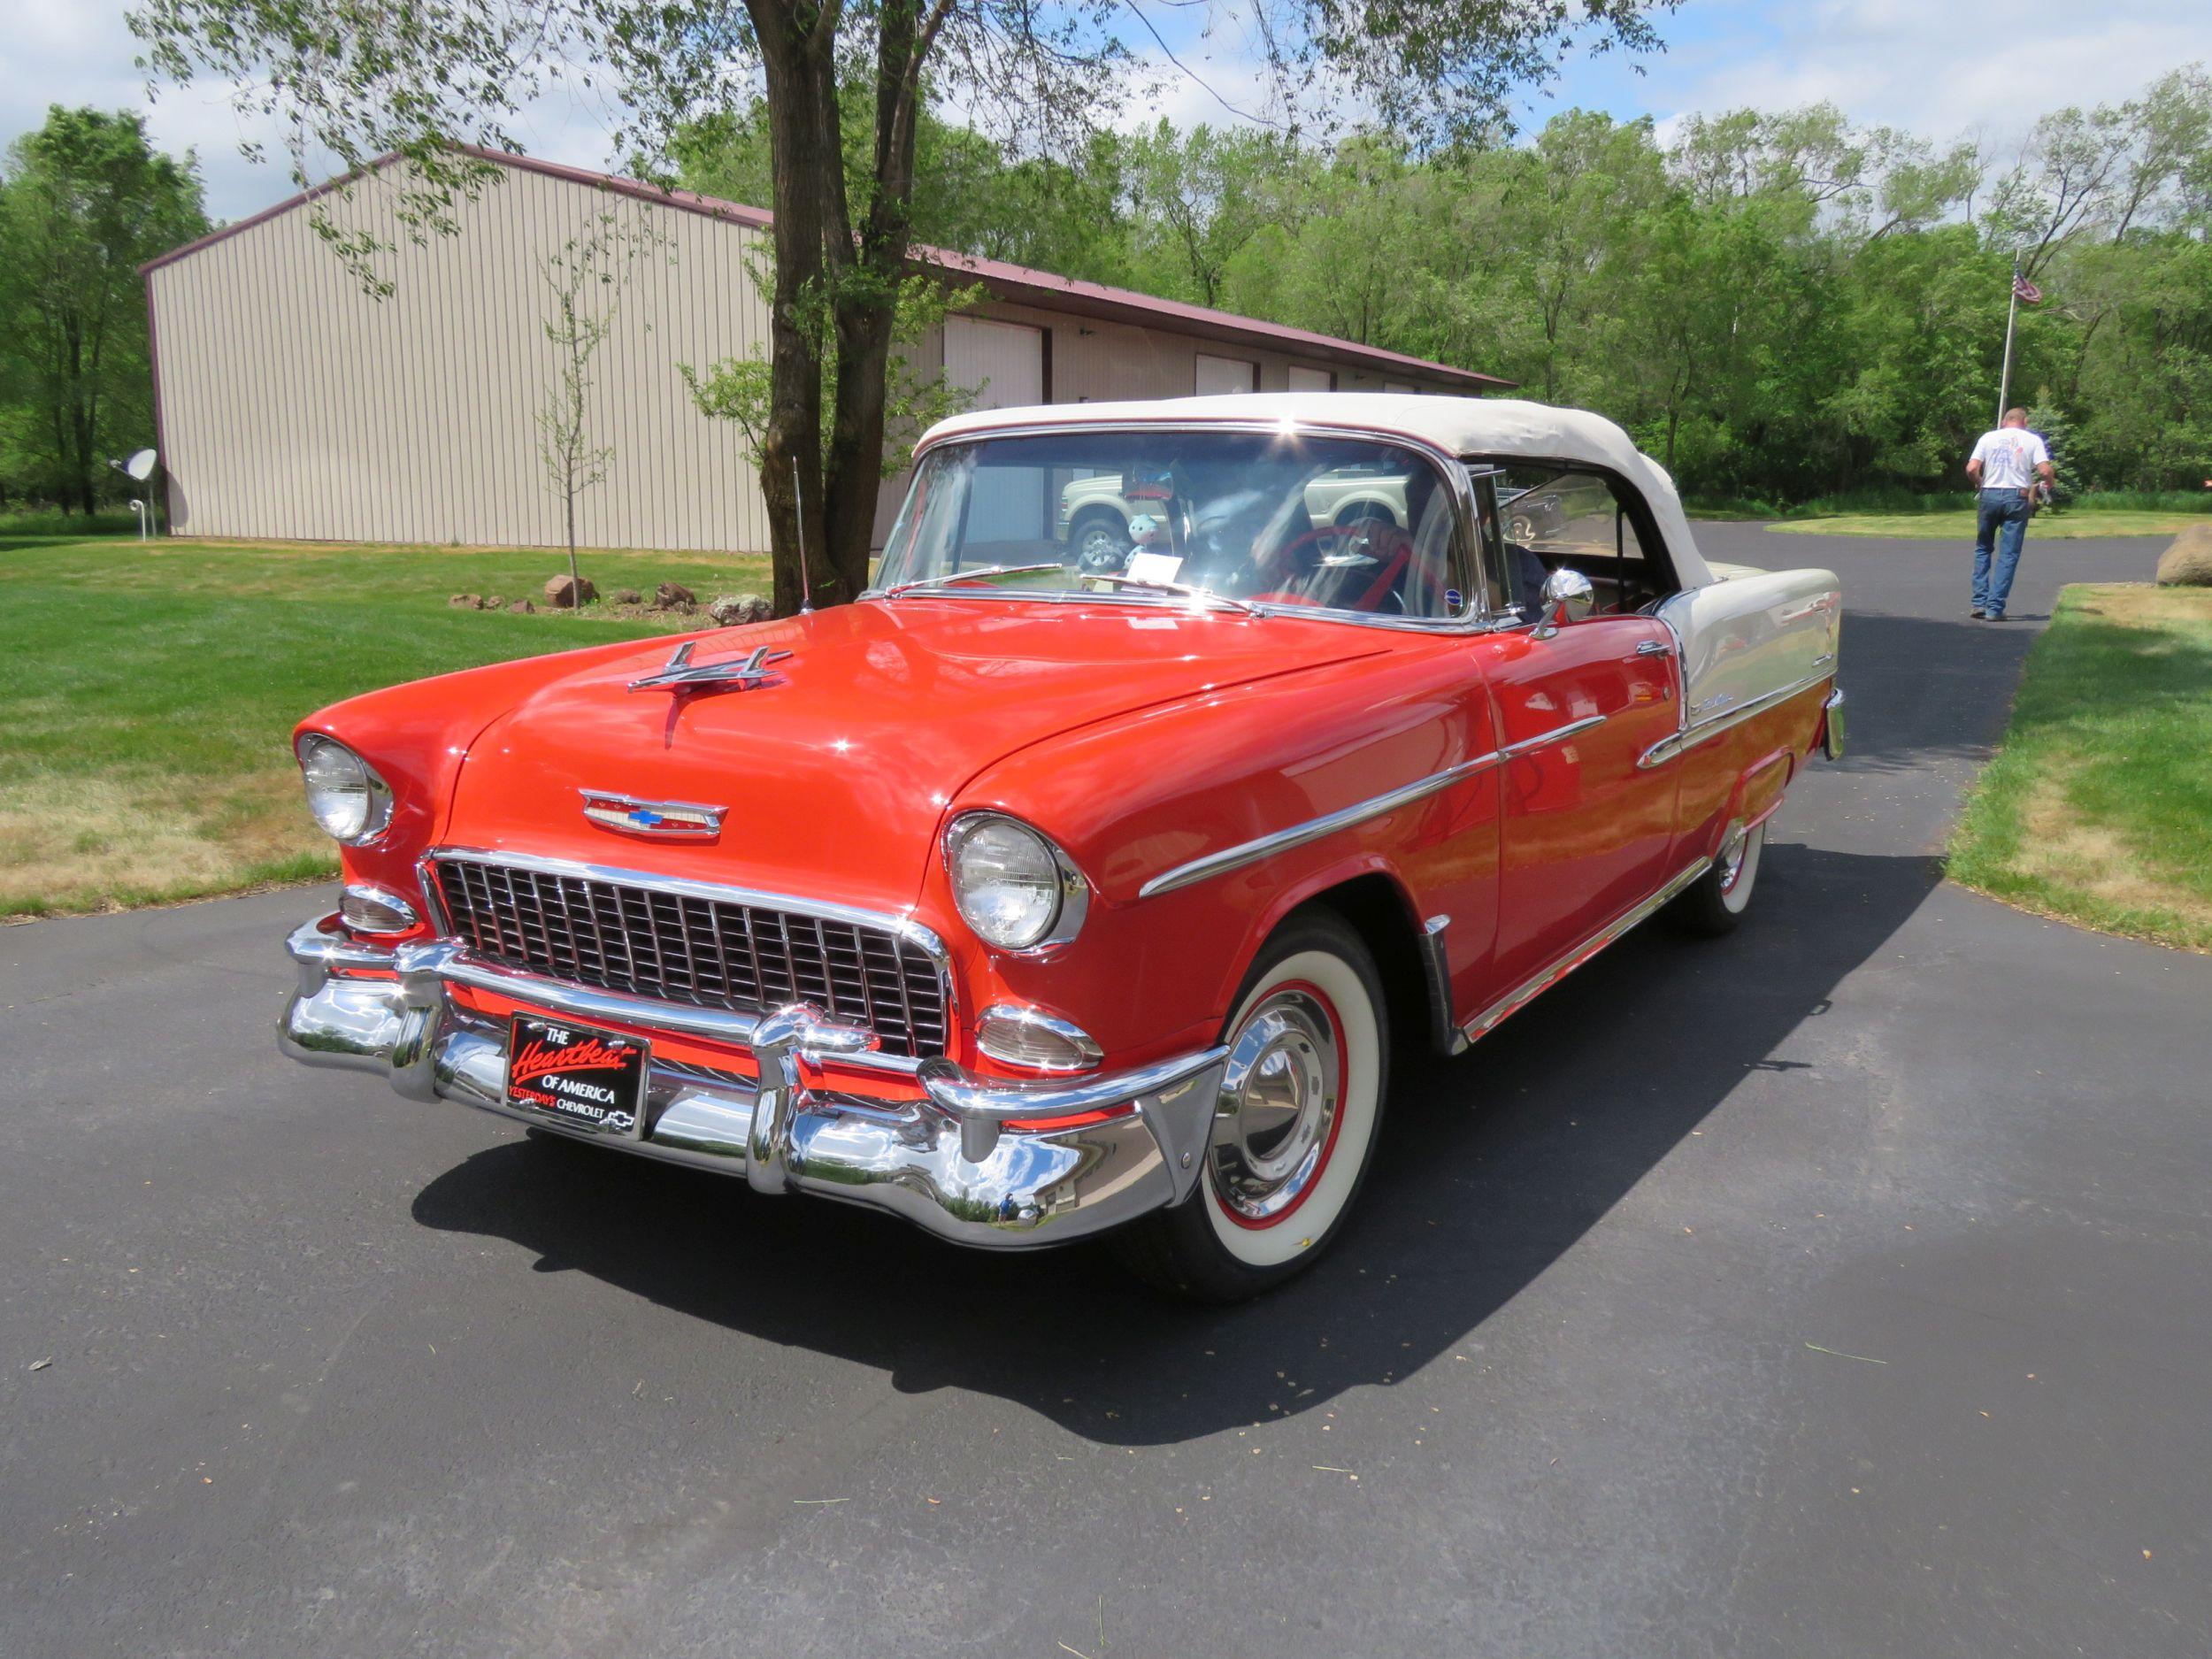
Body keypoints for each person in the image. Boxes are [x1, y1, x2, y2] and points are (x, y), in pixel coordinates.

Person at [1964, 409, 2055, 621]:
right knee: (2009, 553)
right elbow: (2044, 470)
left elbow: (1971, 468)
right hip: (2017, 496)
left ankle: (1979, 602)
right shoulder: (2032, 440)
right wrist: (2050, 482)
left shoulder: (1988, 437)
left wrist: (1980, 483)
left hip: (1989, 494)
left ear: (2004, 421)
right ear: (2025, 421)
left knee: (1983, 548)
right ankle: (1995, 608)